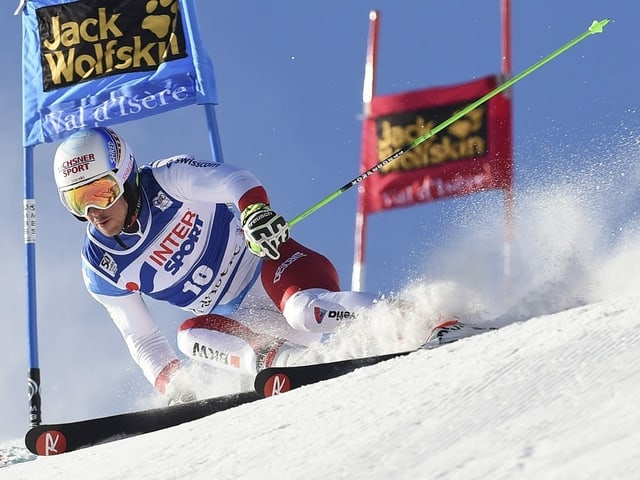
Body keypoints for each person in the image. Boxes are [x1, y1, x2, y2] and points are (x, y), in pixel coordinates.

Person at [52, 127, 380, 404]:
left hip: (274, 270)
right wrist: (175, 389)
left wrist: (254, 212)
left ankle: (407, 318)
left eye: (101, 191)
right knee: (189, 337)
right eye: (78, 201)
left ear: (124, 175)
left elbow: (232, 179)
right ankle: (293, 365)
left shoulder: (166, 180)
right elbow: (143, 339)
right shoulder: (100, 266)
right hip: (247, 324)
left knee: (305, 312)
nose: (93, 210)